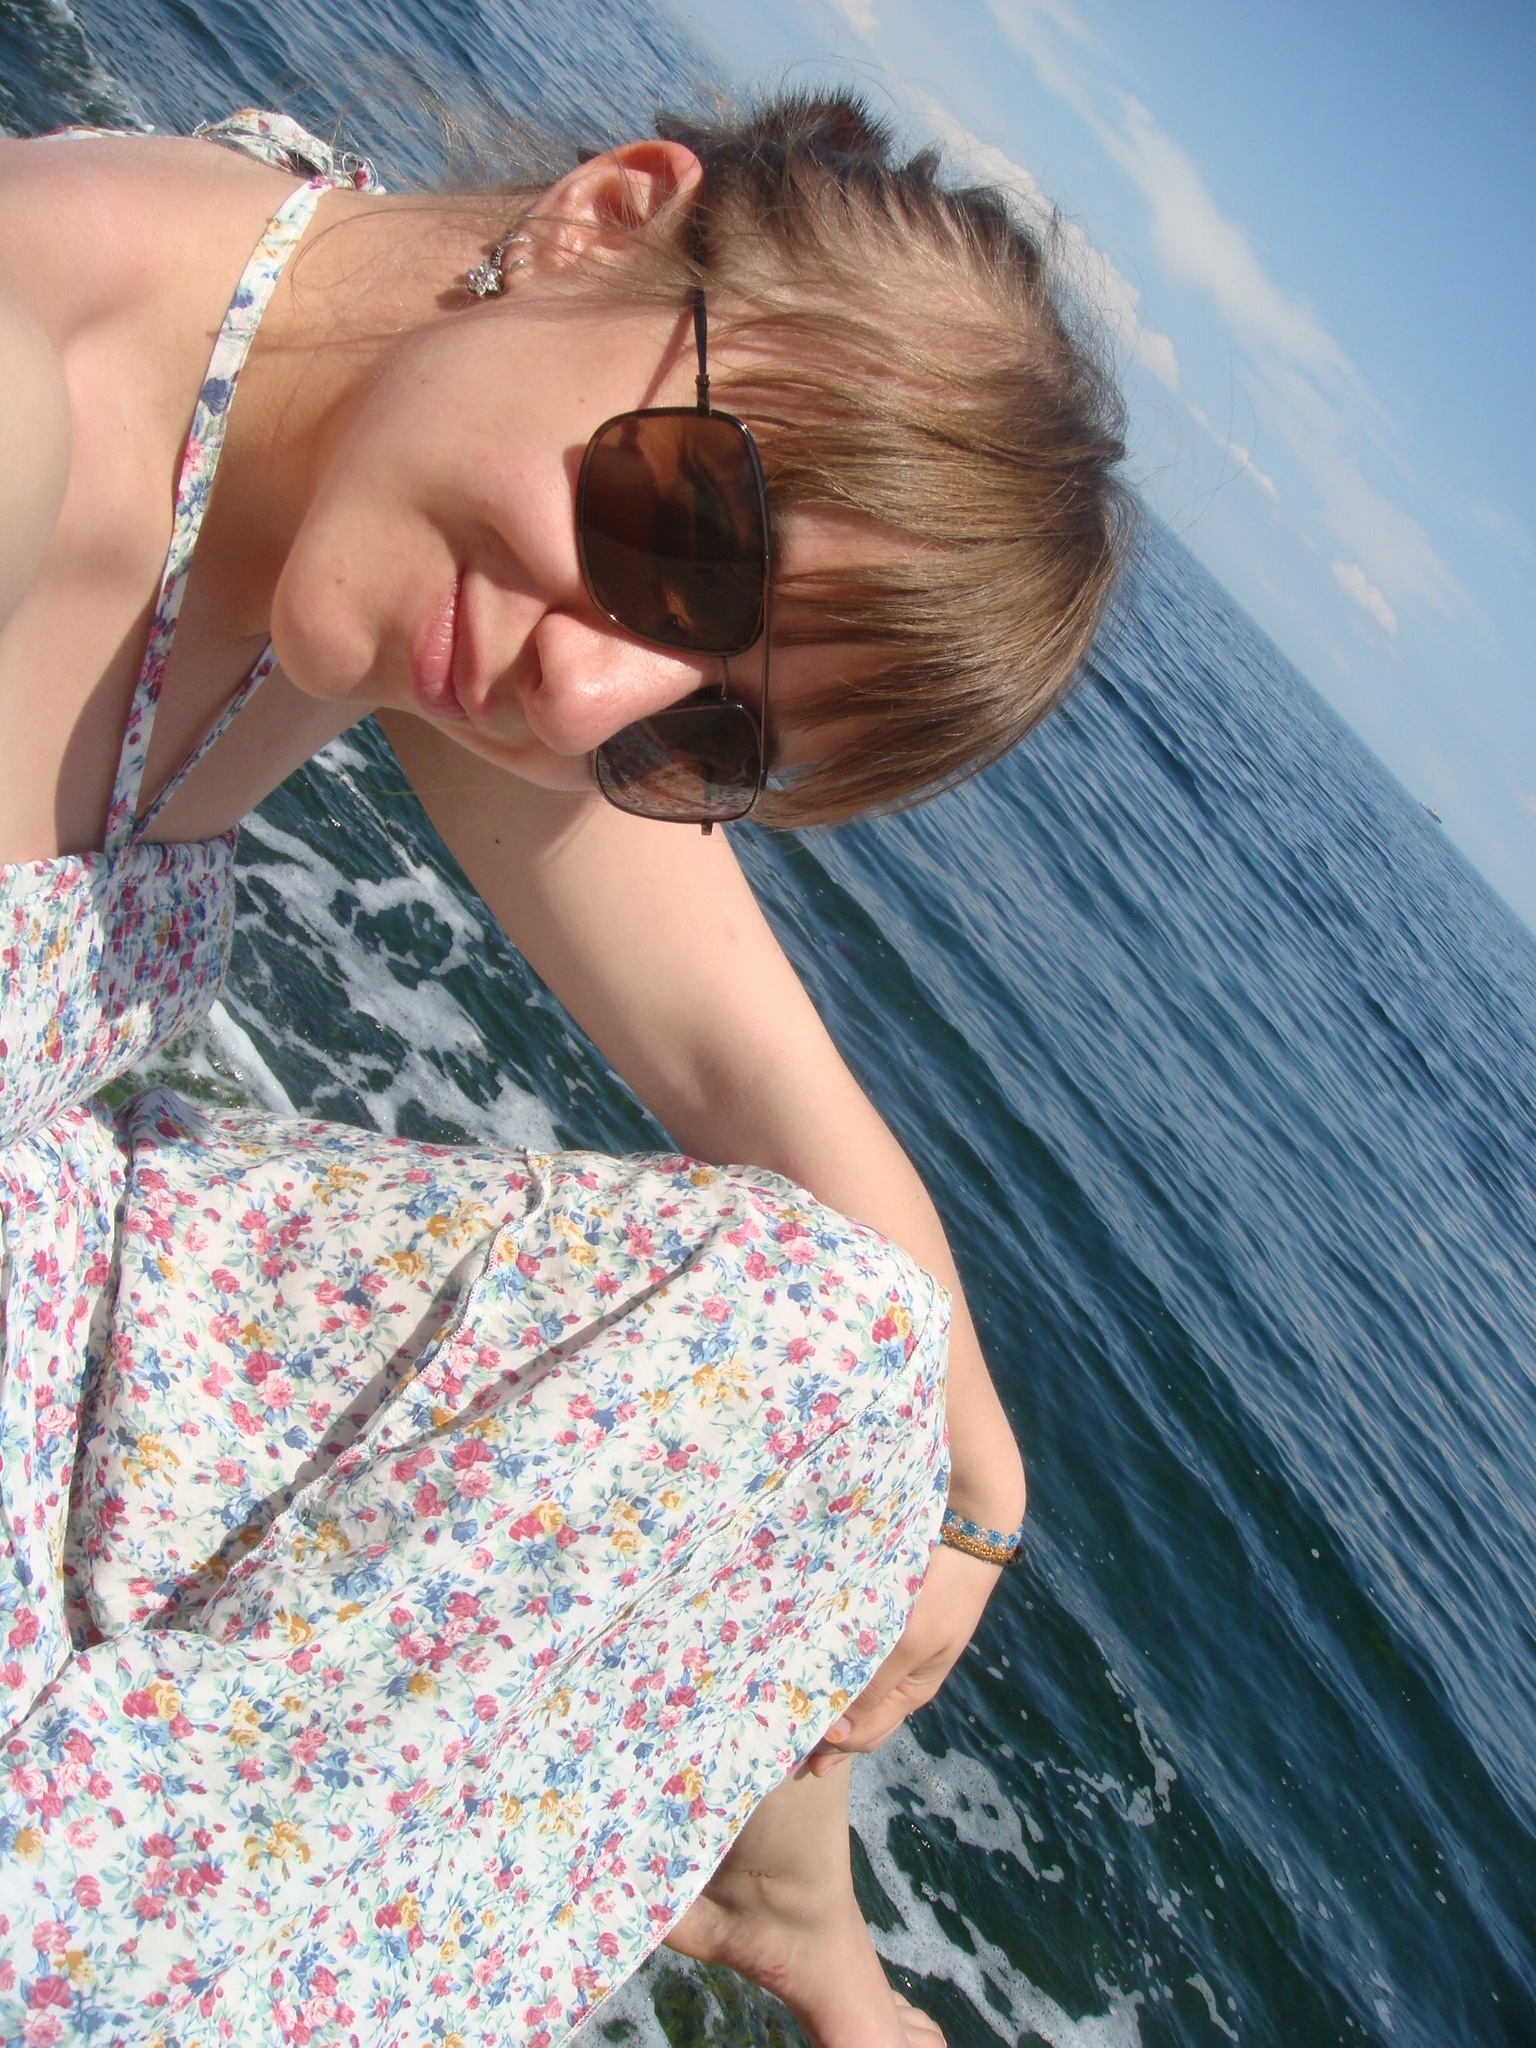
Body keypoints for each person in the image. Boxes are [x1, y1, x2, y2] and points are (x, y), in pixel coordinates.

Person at [0, 95, 1128, 2046]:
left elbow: (738, 1058)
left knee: (838, 1356)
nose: (588, 695)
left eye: (700, 742)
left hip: (58, 1254)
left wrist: (971, 1491)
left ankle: (782, 1892)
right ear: (603, 217)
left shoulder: (352, 445)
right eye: (682, 543)